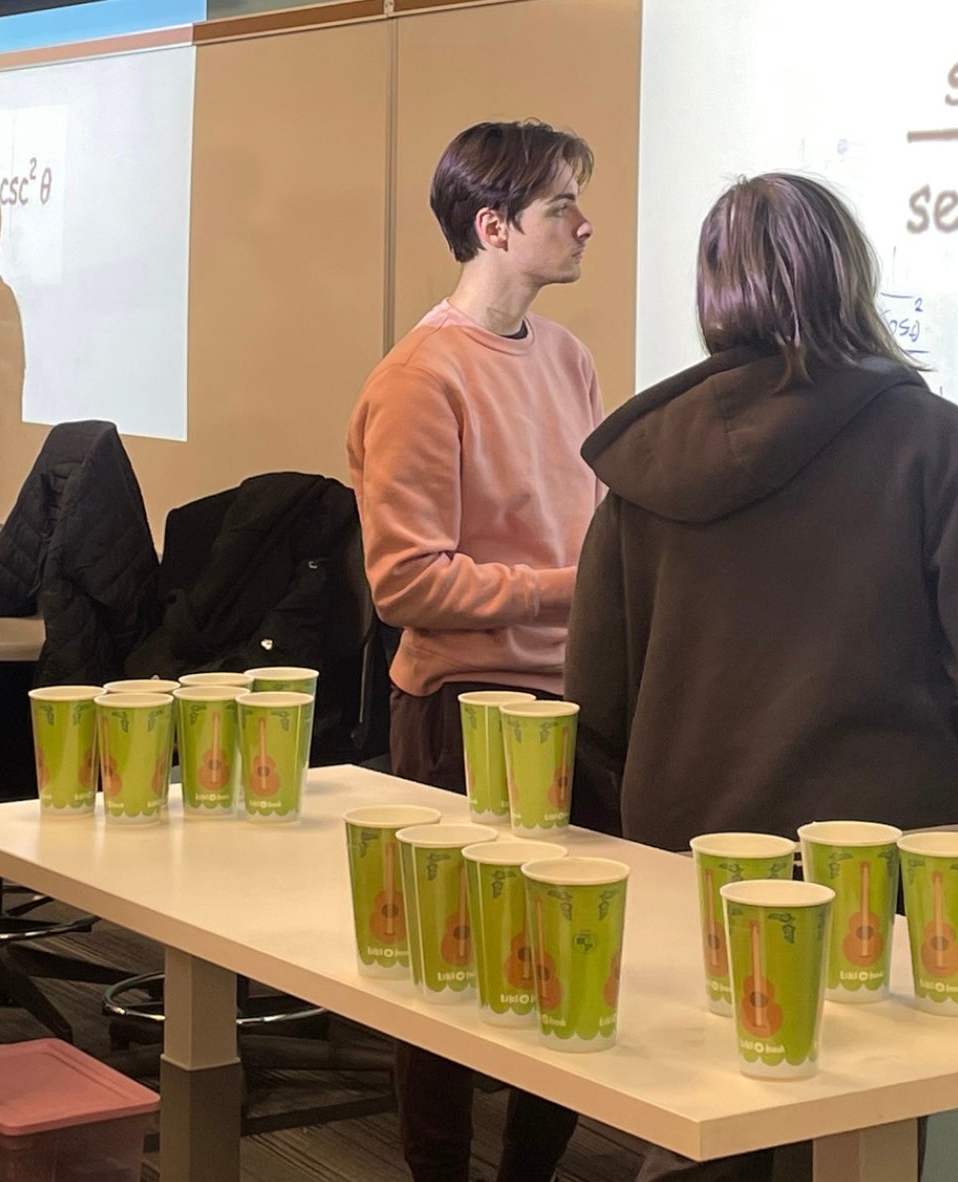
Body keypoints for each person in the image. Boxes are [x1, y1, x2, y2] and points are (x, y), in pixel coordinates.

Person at [561, 171, 958, 1180]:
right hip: (889, 876)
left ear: (710, 292)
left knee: (698, 1131)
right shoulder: (940, 447)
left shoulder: (642, 468)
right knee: (858, 1148)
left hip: (692, 866)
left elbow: (594, 699)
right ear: (848, 276)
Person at [346, 118, 602, 1182]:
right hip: (463, 710)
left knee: (568, 970)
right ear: (493, 228)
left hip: (569, 704)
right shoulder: (420, 377)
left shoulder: (568, 358)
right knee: (448, 975)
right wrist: (571, 592)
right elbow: (404, 583)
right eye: (560, 207)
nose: (584, 224)